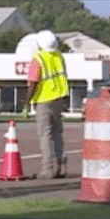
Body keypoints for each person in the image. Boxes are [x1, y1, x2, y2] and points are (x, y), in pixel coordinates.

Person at [26, 30, 69, 179]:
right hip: (59, 98)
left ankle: (47, 168)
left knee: (45, 134)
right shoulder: (59, 56)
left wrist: (27, 101)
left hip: (43, 99)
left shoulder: (38, 58)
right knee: (57, 134)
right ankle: (61, 166)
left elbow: (33, 82)